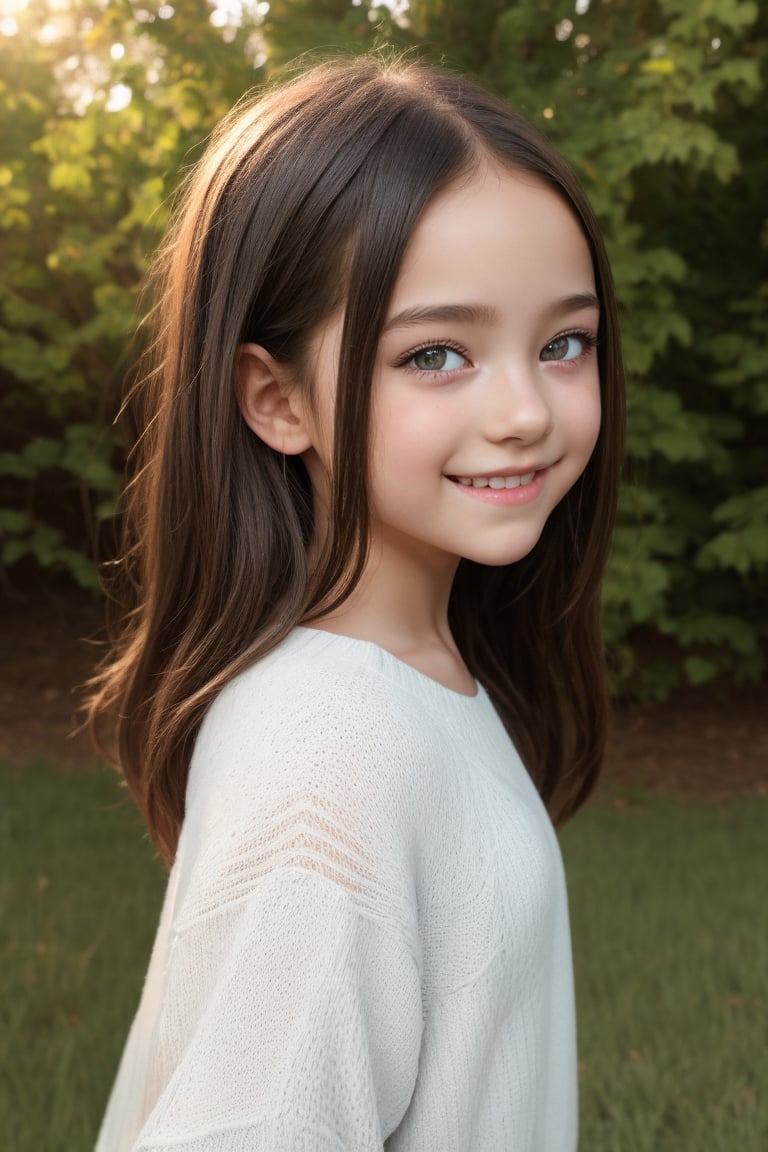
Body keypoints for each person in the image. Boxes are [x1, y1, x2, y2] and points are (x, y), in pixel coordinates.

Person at [89, 51, 624, 1152]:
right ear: (277, 401)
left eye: (563, 342)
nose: (525, 409)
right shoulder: (332, 755)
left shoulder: (405, 687)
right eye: (437, 353)